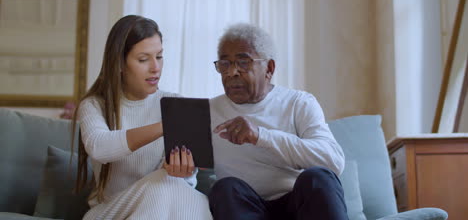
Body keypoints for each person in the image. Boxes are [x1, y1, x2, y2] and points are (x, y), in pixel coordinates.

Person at [71, 15, 212, 220]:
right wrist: (166, 126)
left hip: (162, 205)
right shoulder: (94, 105)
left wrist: (183, 172)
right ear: (119, 64)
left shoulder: (175, 102)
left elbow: (182, 185)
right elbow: (99, 147)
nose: (155, 67)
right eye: (143, 59)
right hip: (111, 212)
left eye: (160, 56)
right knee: (165, 185)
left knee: (176, 187)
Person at [208, 23, 348, 220]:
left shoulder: (299, 102)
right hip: (244, 208)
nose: (232, 72)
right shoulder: (207, 111)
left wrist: (261, 136)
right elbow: (186, 167)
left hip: (298, 207)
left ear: (269, 68)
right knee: (225, 188)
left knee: (318, 178)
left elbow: (333, 161)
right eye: (225, 64)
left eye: (243, 62)